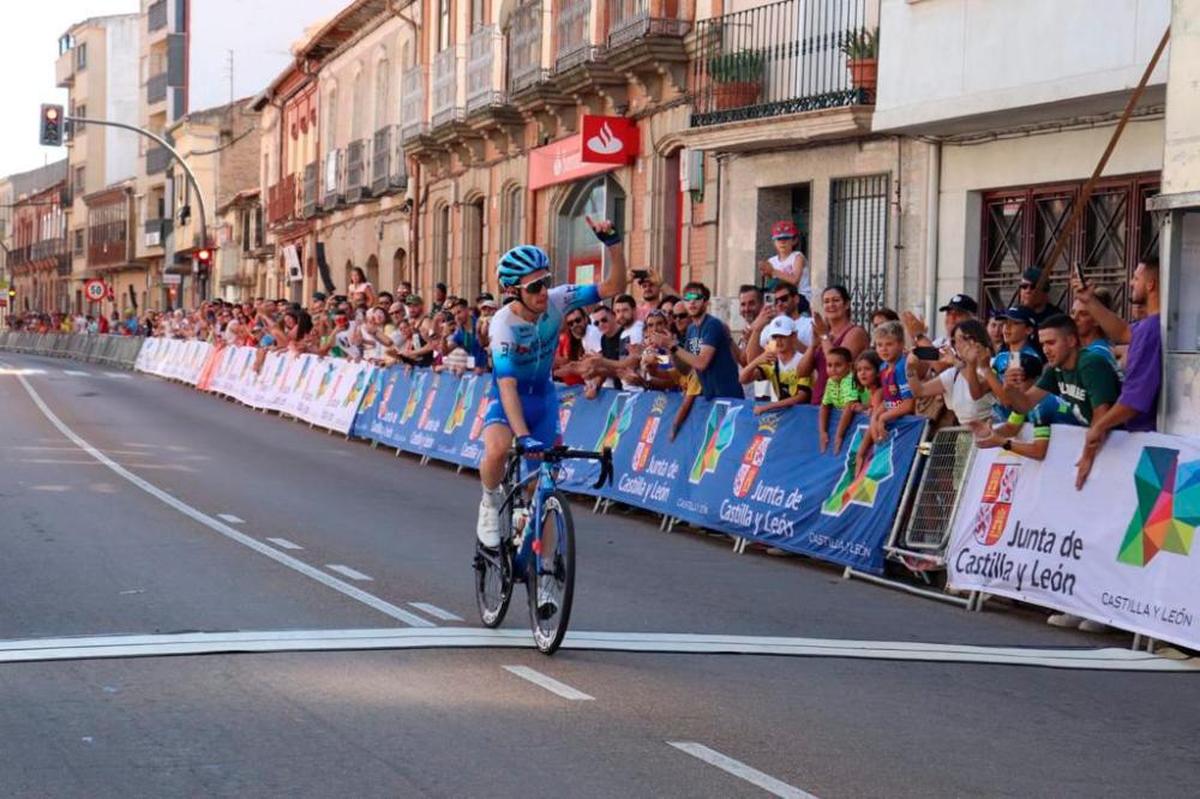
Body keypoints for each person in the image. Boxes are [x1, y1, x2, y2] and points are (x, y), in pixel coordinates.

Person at [477, 219, 627, 589]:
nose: (546, 291)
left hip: (544, 397)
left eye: (547, 280)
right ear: (514, 291)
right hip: (509, 398)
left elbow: (614, 286)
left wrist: (612, 242)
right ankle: (489, 501)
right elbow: (508, 385)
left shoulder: (559, 300)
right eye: (536, 286)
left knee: (542, 491)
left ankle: (544, 574)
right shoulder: (503, 326)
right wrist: (522, 435)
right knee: (497, 449)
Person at [996, 314, 1120, 490]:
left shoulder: (1090, 363)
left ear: (1071, 341)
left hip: (1121, 440)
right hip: (1103, 443)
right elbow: (1025, 404)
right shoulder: (1055, 369)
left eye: (1051, 343)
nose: (1045, 350)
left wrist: (1087, 456)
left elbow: (1101, 415)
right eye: (1043, 344)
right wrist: (1009, 388)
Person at [1075, 258, 1162, 468]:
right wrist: (1089, 301)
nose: (1131, 283)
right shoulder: (1147, 326)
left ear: (1150, 284)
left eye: (1135, 278)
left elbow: (1133, 400)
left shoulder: (1152, 329)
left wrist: (1097, 428)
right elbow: (1123, 332)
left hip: (1148, 444)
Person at [649, 281, 744, 401]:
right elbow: (686, 369)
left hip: (728, 396)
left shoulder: (712, 325)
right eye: (688, 298)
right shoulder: (691, 329)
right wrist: (670, 349)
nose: (692, 302)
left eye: (697, 298)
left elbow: (701, 363)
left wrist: (671, 346)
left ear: (705, 302)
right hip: (709, 397)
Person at [905, 319, 996, 438]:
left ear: (976, 339)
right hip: (965, 436)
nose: (958, 345)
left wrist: (956, 362)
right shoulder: (954, 373)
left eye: (963, 339)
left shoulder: (992, 364)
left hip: (992, 430)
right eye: (955, 341)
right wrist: (910, 369)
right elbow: (919, 391)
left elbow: (978, 387)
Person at [807, 286, 871, 403]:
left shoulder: (856, 332)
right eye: (826, 301)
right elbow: (802, 372)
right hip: (819, 401)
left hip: (843, 405)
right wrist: (813, 345)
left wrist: (824, 337)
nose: (831, 305)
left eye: (836, 300)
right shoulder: (824, 333)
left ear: (846, 304)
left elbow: (839, 365)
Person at [738, 315, 812, 414]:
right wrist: (758, 360)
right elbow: (743, 379)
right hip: (784, 416)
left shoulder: (802, 361)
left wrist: (767, 407)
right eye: (775, 337)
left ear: (794, 336)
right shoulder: (772, 362)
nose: (778, 341)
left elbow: (801, 397)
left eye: (782, 336)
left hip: (804, 415)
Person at [817, 346, 871, 454]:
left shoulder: (850, 379)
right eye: (829, 365)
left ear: (849, 366)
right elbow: (825, 406)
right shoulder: (830, 381)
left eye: (838, 365)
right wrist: (823, 432)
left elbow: (849, 408)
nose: (833, 369)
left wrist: (839, 436)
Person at [1070, 286, 1120, 375]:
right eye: (1073, 313)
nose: (1074, 318)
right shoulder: (1081, 351)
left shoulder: (1099, 354)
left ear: (1097, 320)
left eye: (1083, 314)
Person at [758, 220, 810, 301]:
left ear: (794, 240)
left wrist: (772, 271)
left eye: (786, 238)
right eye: (779, 239)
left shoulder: (797, 256)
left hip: (799, 297)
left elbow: (795, 281)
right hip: (779, 298)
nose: (782, 242)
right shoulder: (771, 261)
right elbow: (770, 285)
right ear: (774, 242)